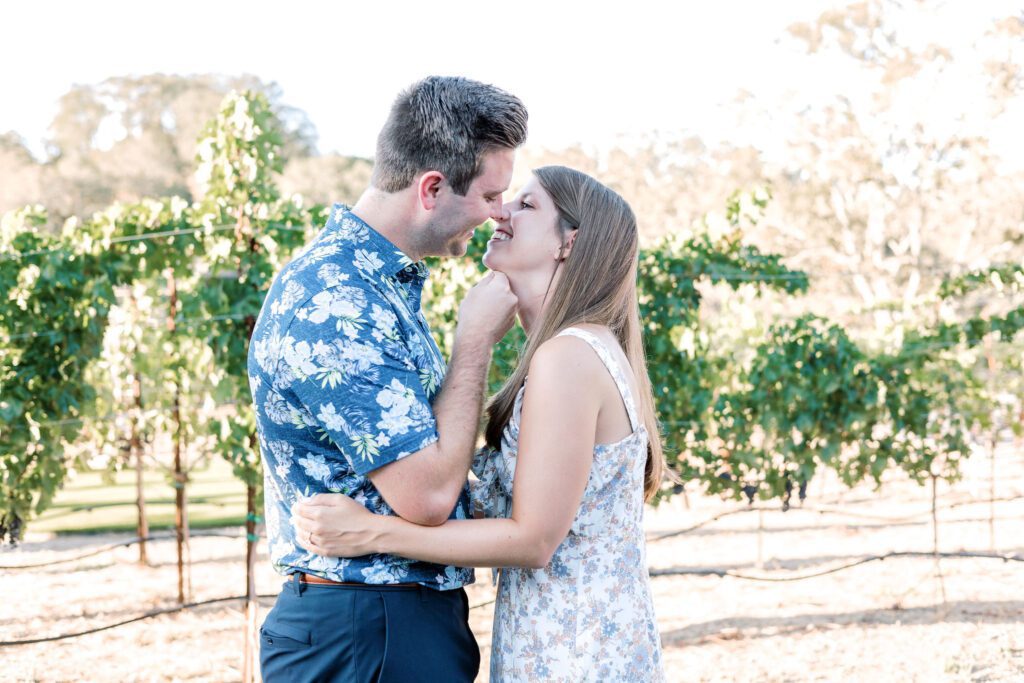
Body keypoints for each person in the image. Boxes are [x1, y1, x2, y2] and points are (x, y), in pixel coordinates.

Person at [293, 166, 667, 682]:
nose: (501, 211)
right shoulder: (581, 350)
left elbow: (532, 540)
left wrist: (372, 532)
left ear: (569, 242)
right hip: (570, 642)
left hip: (575, 653)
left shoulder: (567, 357)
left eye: (527, 205)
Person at [247, 75, 527, 682]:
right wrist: (474, 341)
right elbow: (424, 496)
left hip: (383, 622)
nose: (499, 213)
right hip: (366, 629)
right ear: (431, 188)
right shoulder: (339, 300)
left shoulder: (374, 288)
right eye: (490, 195)